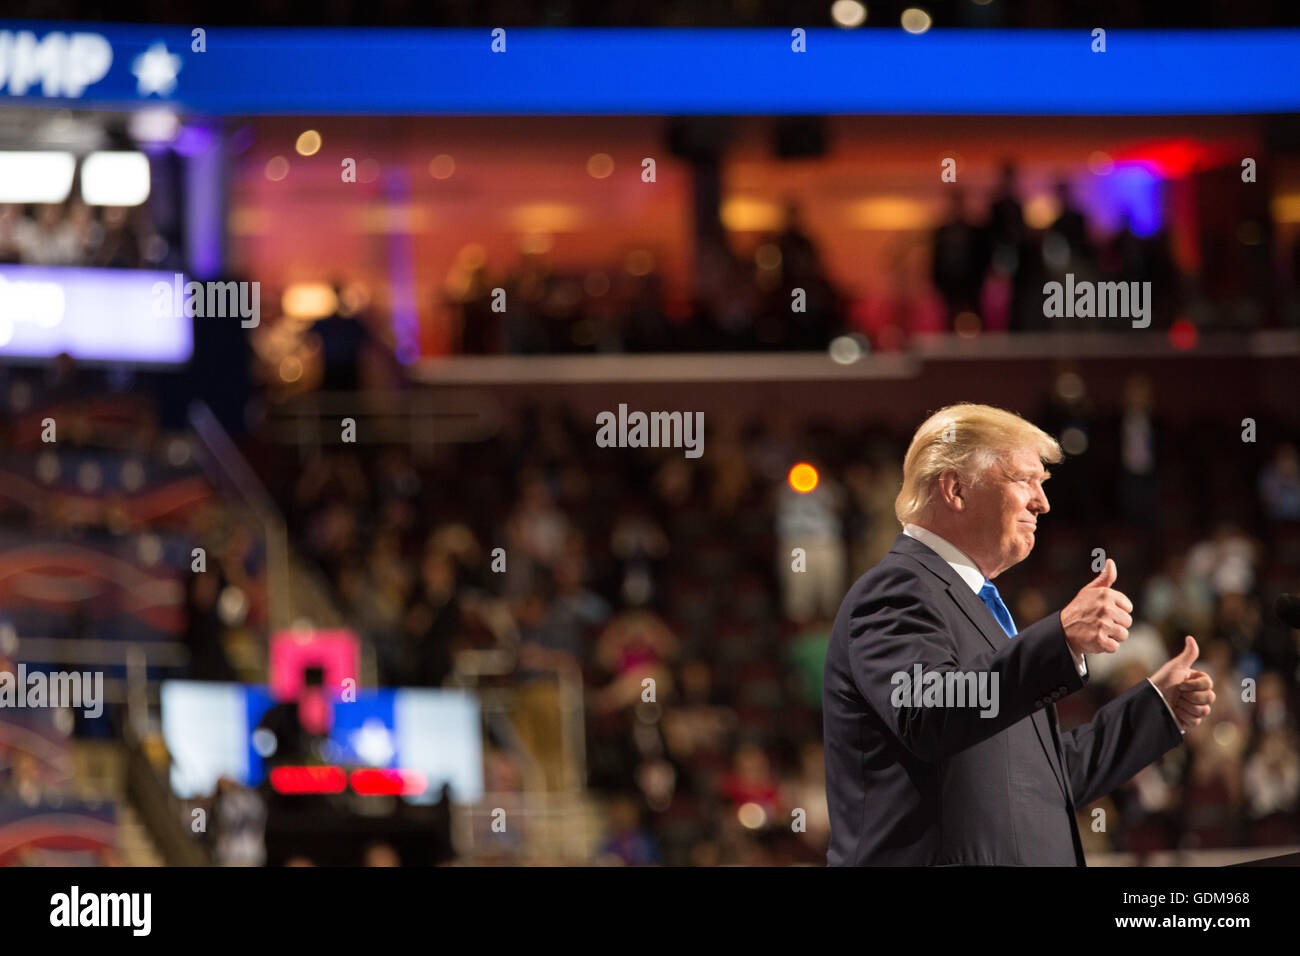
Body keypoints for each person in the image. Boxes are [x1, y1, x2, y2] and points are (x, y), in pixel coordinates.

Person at [822, 403, 1216, 865]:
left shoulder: (976, 607)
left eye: (1042, 484)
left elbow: (1041, 780)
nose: (1042, 502)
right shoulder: (898, 589)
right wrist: (1060, 639)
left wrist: (1155, 708)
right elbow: (928, 708)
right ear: (956, 490)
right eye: (1024, 479)